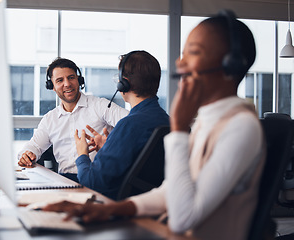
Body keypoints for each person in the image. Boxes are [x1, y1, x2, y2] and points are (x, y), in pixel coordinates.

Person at [43, 10, 265, 240]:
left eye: (194, 52)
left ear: (229, 64)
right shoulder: (210, 121)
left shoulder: (240, 126)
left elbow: (184, 217)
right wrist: (108, 209)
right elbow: (170, 191)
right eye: (183, 53)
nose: (180, 62)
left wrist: (178, 129)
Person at [72, 50, 169, 199]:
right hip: (156, 204)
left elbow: (92, 182)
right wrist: (109, 147)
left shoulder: (130, 125)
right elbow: (143, 168)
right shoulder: (169, 122)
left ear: (124, 84)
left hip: (121, 208)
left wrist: (82, 154)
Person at [17, 58, 128, 182]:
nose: (67, 84)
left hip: (98, 178)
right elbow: (34, 146)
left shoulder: (100, 106)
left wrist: (112, 144)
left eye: (71, 78)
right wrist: (27, 154)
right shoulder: (50, 119)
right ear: (52, 86)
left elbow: (132, 124)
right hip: (64, 181)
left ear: (79, 80)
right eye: (60, 80)